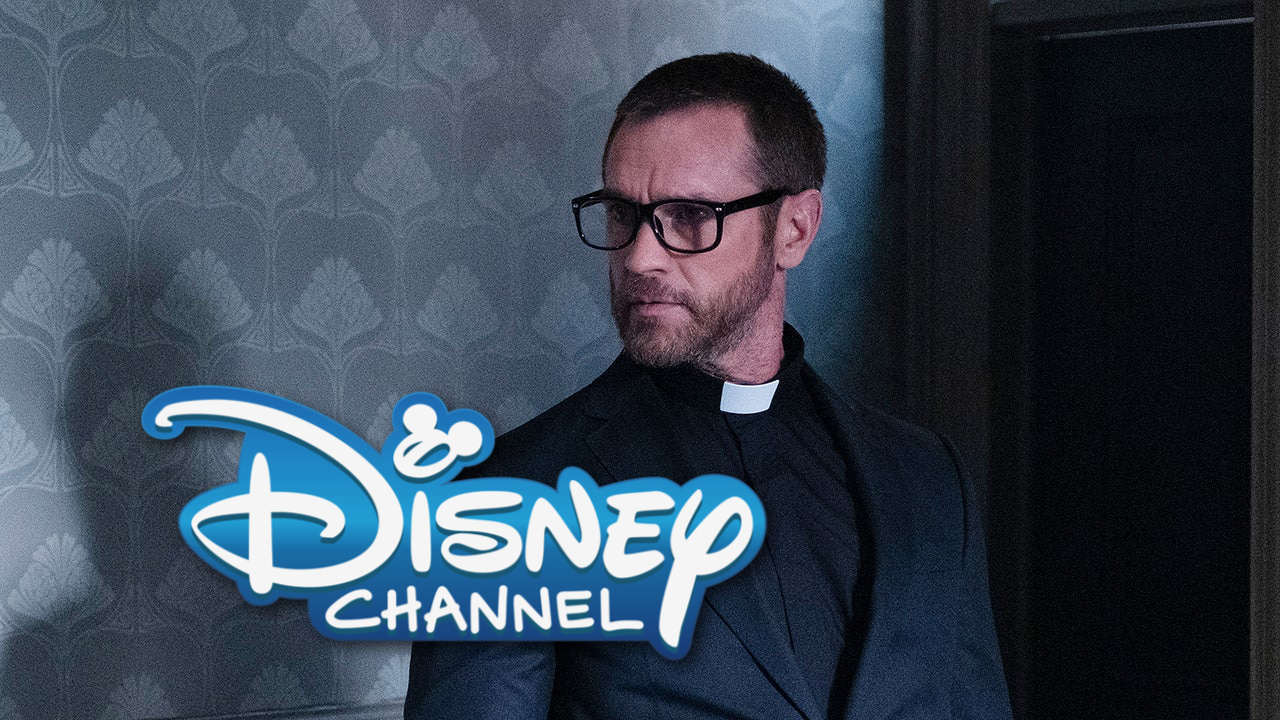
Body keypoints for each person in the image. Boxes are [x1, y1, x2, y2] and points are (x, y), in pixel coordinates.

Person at [404, 52, 1011, 720]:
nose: (640, 257)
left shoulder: (929, 478)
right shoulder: (506, 502)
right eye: (621, 214)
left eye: (691, 215)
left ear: (795, 229)